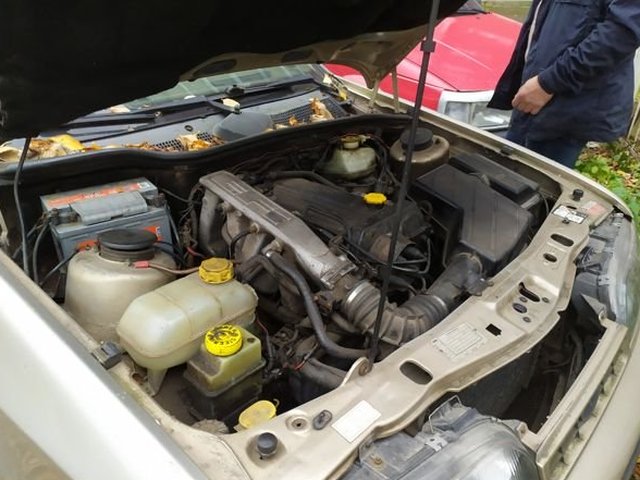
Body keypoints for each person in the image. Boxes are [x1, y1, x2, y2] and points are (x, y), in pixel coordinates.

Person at [488, 0, 640, 168]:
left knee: (533, 179)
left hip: (565, 103)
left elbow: (619, 36)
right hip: (535, 93)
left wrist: (549, 83)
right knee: (505, 172)